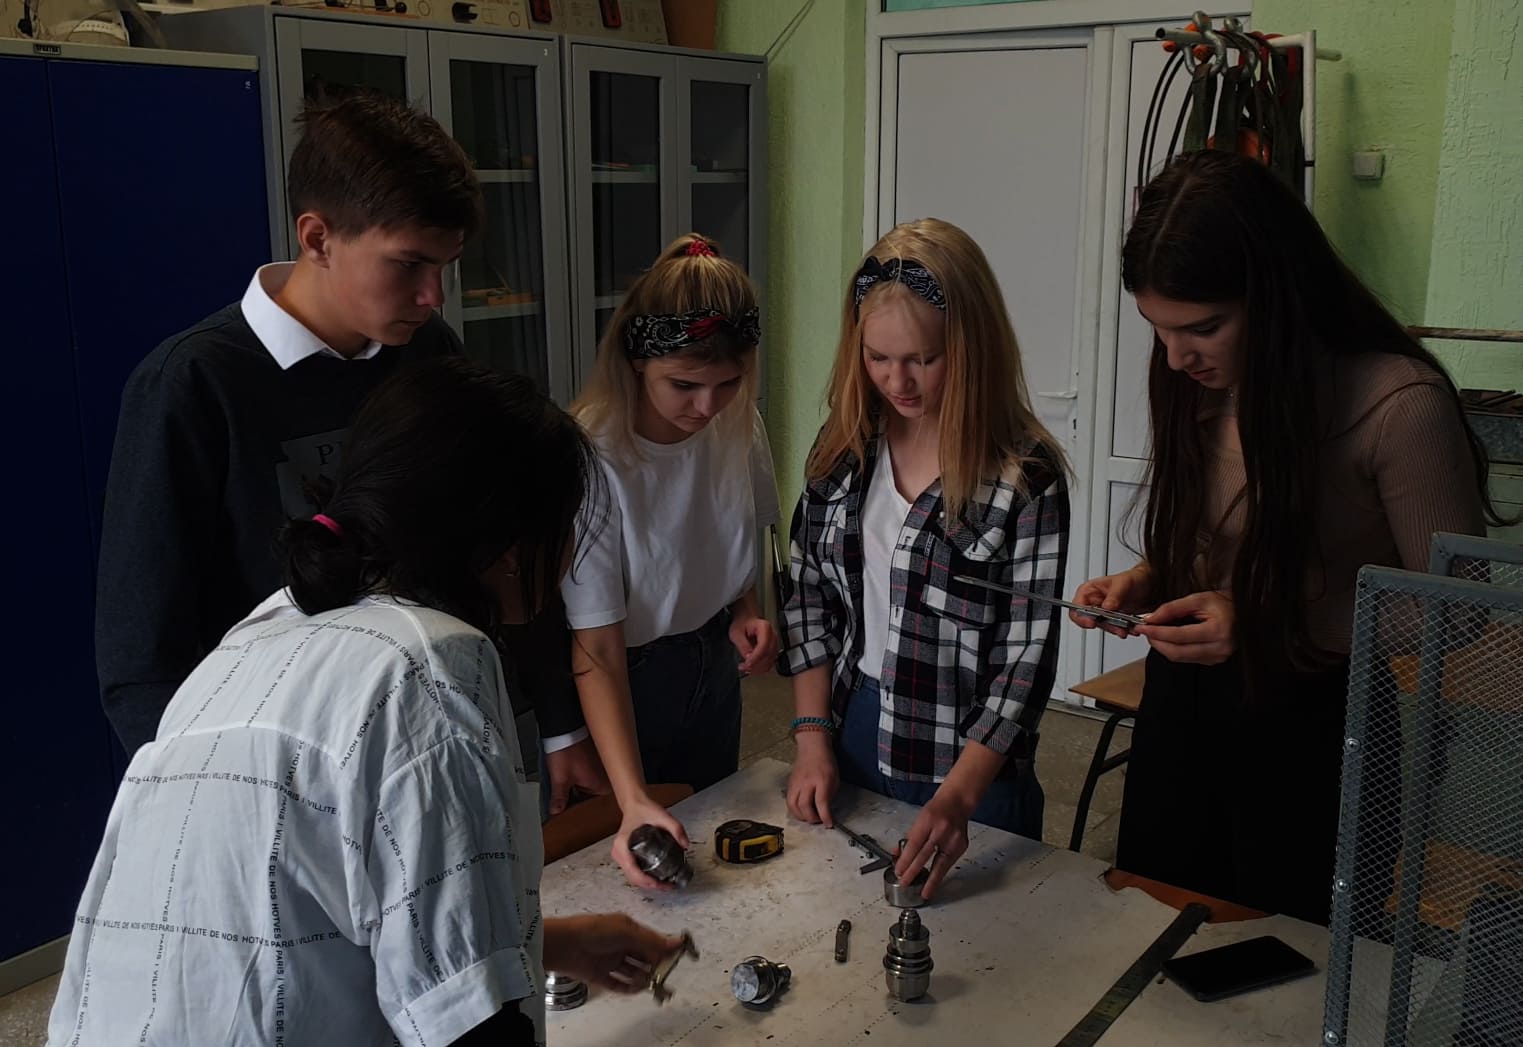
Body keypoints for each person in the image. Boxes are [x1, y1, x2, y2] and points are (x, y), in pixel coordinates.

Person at [49, 358, 682, 1047]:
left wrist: (553, 943)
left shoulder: (260, 634)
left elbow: (312, 903)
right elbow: (468, 1026)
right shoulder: (433, 663)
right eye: (569, 524)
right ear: (511, 543)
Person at [93, 89, 605, 802]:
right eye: (408, 264)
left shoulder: (427, 352)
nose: (434, 295)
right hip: (275, 766)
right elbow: (140, 657)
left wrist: (559, 722)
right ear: (317, 238)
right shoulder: (192, 383)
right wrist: (210, 803)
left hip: (426, 733)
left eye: (447, 265)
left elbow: (501, 547)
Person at [1070, 150, 1495, 924]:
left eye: (1202, 328)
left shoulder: (1398, 405)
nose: (1175, 357)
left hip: (1316, 722)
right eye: (1157, 330)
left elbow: (1458, 611)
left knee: (1288, 959)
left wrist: (1267, 621)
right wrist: (1152, 576)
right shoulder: (1196, 380)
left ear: (1276, 295)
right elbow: (1221, 539)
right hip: (1184, 710)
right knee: (1152, 928)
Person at [782, 218, 1071, 901]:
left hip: (971, 760)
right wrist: (812, 736)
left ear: (973, 347)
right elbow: (808, 595)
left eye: (923, 359)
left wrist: (958, 797)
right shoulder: (845, 444)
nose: (897, 381)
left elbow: (1023, 661)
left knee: (988, 945)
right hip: (854, 730)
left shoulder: (1024, 474)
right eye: (877, 357)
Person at [561, 234, 780, 889]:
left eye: (728, 383)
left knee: (707, 844)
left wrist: (745, 609)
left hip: (710, 661)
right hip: (625, 682)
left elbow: (734, 535)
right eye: (683, 385)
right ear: (636, 361)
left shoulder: (737, 421)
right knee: (631, 863)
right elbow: (596, 646)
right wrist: (630, 797)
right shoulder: (592, 453)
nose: (707, 406)